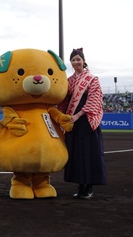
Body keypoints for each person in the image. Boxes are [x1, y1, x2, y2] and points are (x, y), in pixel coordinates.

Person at [58, 48, 107, 199]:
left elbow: (94, 99)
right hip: (73, 122)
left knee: (88, 153)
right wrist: (62, 116)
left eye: (78, 59)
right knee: (76, 153)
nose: (76, 62)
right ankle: (80, 186)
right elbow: (64, 100)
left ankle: (89, 187)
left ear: (84, 61)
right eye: (73, 60)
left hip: (86, 120)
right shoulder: (70, 80)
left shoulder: (92, 79)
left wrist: (78, 114)